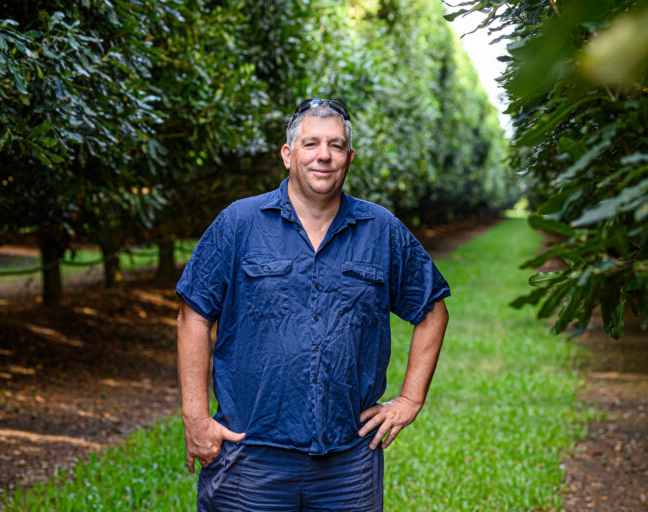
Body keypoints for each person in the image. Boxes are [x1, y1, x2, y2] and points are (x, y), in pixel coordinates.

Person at [176, 98, 450, 511]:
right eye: (311, 144)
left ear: (349, 158)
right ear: (288, 155)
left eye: (336, 146)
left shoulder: (382, 230)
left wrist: (410, 400)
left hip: (348, 462)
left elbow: (431, 310)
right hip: (250, 453)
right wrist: (195, 418)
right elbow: (193, 314)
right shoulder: (239, 223)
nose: (324, 155)